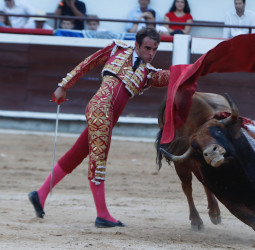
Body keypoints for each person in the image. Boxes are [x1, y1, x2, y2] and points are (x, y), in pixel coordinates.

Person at [28, 27, 170, 228]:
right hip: (100, 110)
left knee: (76, 155)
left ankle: (40, 194)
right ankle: (102, 215)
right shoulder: (116, 50)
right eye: (147, 48)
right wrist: (63, 86)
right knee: (99, 160)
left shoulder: (148, 73)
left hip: (108, 117)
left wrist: (193, 70)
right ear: (136, 45)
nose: (151, 53)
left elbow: (168, 77)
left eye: (155, 49)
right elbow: (89, 62)